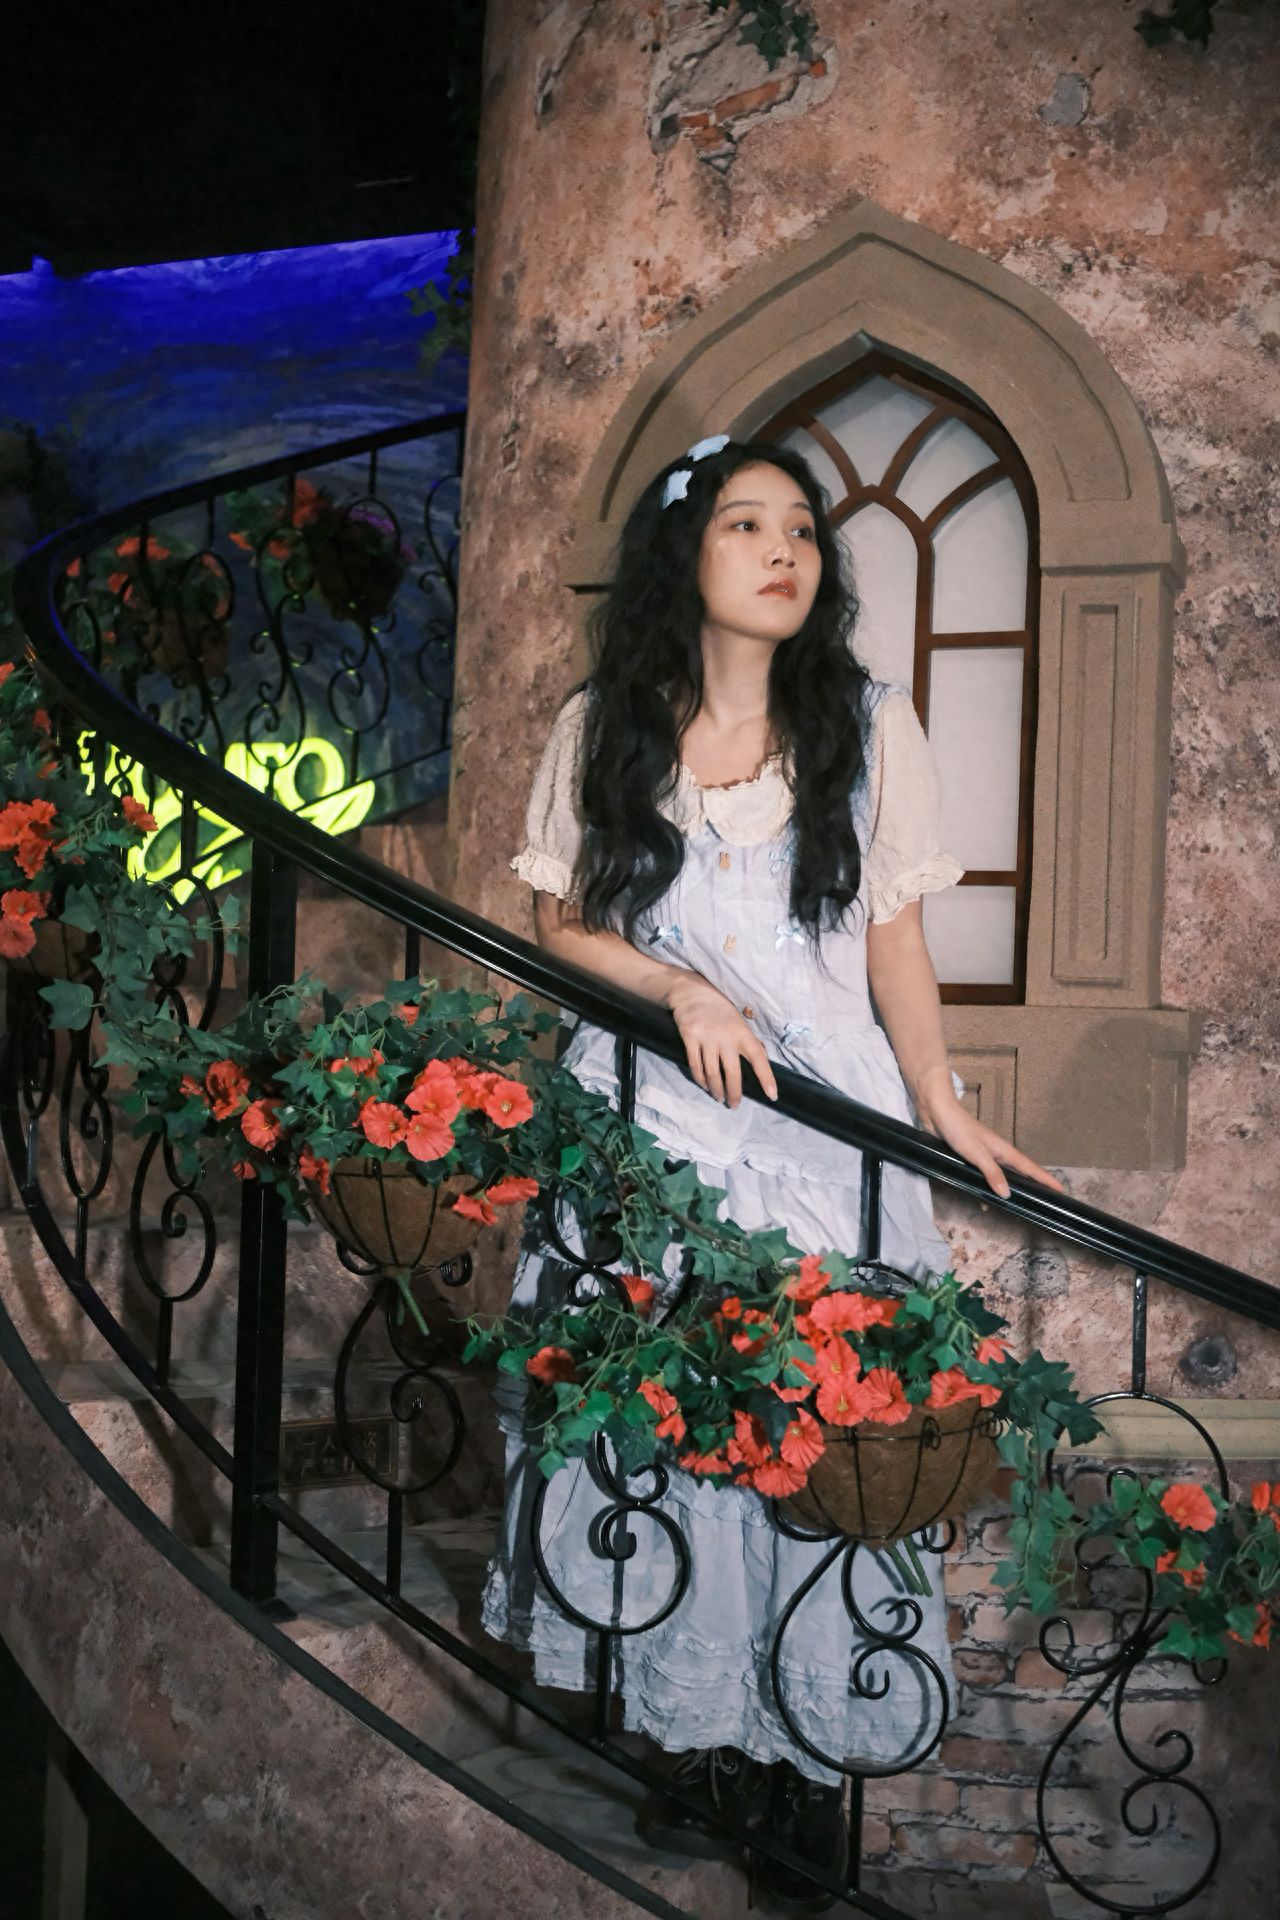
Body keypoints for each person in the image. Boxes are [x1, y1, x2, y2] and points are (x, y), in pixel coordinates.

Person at [481, 434, 1059, 1908]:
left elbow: (894, 944)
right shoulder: (602, 724)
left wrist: (940, 1103)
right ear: (691, 558)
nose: (784, 549)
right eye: (747, 524)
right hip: (660, 1113)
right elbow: (560, 924)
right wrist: (677, 991)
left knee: (823, 1420)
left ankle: (806, 1757)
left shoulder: (869, 723)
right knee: (667, 1410)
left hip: (821, 1120)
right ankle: (691, 1745)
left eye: (801, 528)